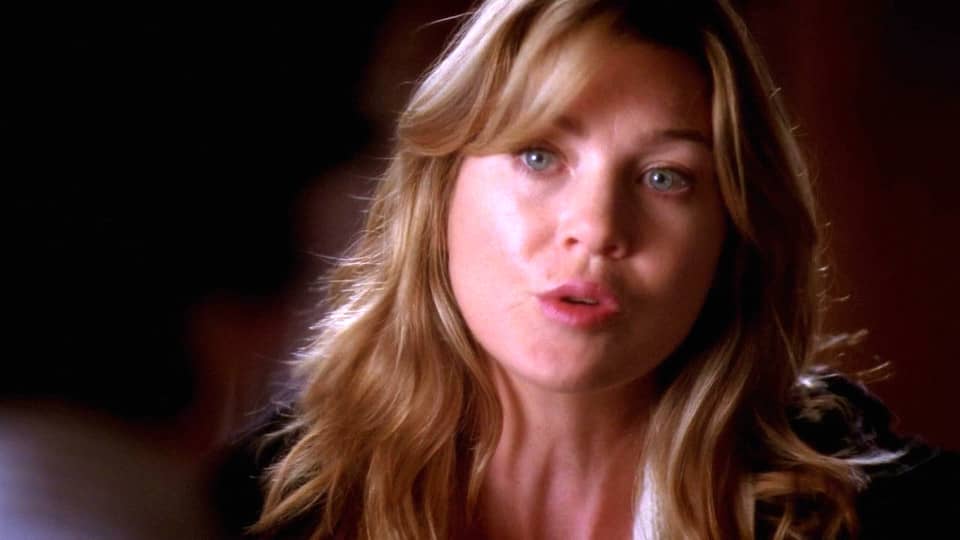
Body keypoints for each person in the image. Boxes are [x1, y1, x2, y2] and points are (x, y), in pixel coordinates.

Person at [236, 0, 958, 538]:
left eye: (665, 178)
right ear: (440, 192)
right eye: (539, 156)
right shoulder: (266, 502)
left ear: (733, 237)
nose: (600, 229)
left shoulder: (889, 512)